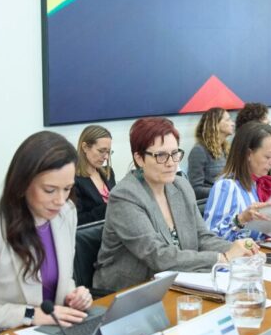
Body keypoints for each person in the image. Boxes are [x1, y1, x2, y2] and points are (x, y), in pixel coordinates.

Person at [0, 132, 92, 331]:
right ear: (23, 184)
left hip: (54, 334)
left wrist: (73, 295)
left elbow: (62, 278)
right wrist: (30, 315)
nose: (60, 200)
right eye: (49, 190)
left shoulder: (66, 213)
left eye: (67, 189)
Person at [93, 117, 255, 294]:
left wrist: (238, 250)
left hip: (178, 282)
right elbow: (158, 256)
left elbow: (202, 237)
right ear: (139, 158)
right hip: (129, 292)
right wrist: (223, 257)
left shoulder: (181, 185)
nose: (171, 162)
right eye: (161, 155)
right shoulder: (125, 196)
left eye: (175, 153)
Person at [203, 122, 271, 241]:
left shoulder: (259, 184)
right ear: (248, 154)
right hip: (236, 258)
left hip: (260, 253)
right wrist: (241, 219)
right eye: (268, 157)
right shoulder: (227, 186)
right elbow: (210, 239)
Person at [187, 108, 234, 199]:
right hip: (211, 204)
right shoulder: (199, 151)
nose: (232, 123)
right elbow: (195, 189)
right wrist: (222, 192)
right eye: (228, 120)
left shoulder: (226, 149)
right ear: (215, 124)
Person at [73, 125, 116, 224]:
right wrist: (108, 207)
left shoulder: (108, 173)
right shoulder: (74, 180)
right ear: (85, 147)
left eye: (109, 152)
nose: (106, 157)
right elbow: (77, 221)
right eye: (101, 151)